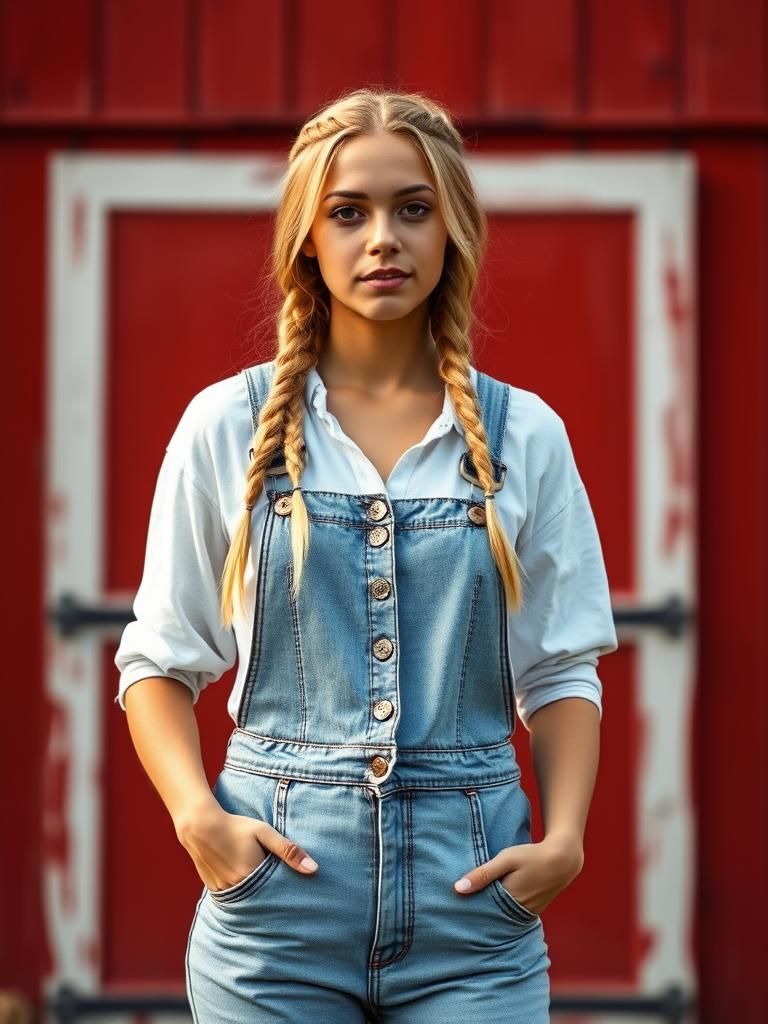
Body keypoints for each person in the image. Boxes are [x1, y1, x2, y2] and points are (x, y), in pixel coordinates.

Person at [114, 87, 618, 1023]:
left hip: (473, 911)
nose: (382, 237)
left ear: (453, 229)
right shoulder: (228, 426)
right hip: (276, 910)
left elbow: (560, 666)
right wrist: (199, 821)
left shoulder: (525, 437)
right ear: (309, 236)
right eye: (349, 212)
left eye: (412, 209)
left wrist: (567, 841)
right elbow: (158, 657)